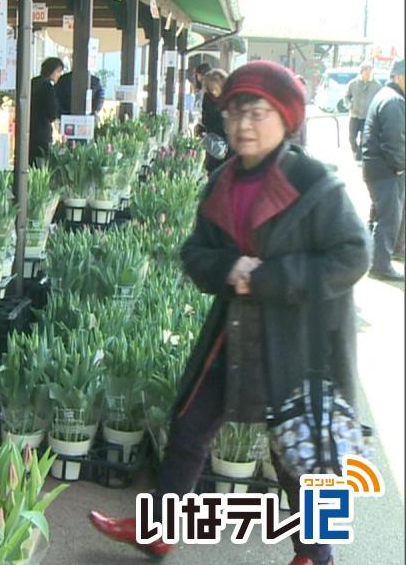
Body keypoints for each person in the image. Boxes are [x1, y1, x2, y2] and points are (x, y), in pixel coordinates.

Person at [89, 61, 369, 565]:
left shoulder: (314, 183)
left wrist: (267, 278)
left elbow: (353, 255)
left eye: (257, 112)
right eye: (235, 111)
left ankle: (316, 556)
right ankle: (159, 529)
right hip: (234, 333)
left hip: (300, 337)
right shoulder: (221, 180)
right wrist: (231, 268)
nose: (242, 125)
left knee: (299, 451)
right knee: (190, 424)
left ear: (286, 118)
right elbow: (196, 254)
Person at [360, 59, 405, 281]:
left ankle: (385, 254)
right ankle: (380, 266)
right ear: (398, 76)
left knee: (383, 215)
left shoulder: (387, 95)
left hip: (376, 168)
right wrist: (400, 166)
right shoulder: (394, 100)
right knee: (388, 218)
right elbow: (393, 141)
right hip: (386, 169)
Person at [29, 57, 65, 164]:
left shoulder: (32, 82)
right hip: (42, 132)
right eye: (58, 71)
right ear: (52, 71)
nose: (59, 75)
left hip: (28, 130)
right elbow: (52, 113)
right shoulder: (48, 87)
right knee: (41, 165)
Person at [196, 67, 231, 172]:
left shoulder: (230, 99)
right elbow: (206, 119)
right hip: (213, 142)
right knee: (212, 170)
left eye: (215, 88)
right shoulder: (208, 99)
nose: (214, 91)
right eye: (210, 88)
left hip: (228, 145)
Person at [345, 61, 381, 161]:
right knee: (351, 137)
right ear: (361, 71)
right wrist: (349, 105)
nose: (368, 72)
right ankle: (355, 150)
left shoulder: (377, 85)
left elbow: (380, 99)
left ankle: (359, 156)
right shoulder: (353, 83)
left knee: (363, 139)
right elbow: (346, 96)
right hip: (354, 115)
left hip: (367, 117)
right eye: (365, 70)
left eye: (370, 70)